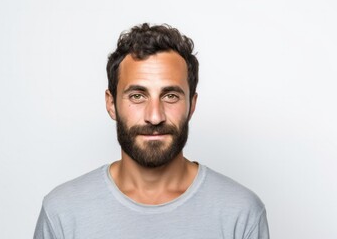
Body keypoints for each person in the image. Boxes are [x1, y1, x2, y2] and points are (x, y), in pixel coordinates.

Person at [34, 23, 269, 239]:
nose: (154, 116)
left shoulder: (241, 212)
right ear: (111, 103)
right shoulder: (62, 212)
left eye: (170, 96)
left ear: (192, 105)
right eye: (137, 96)